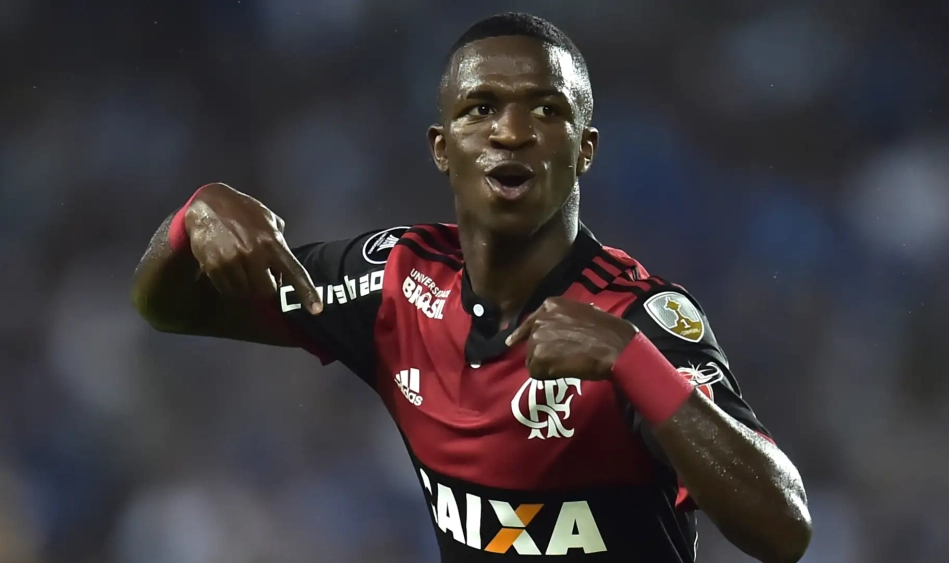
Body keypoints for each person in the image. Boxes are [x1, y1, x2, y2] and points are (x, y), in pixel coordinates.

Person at [131, 12, 811, 563]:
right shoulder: (396, 283)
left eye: (545, 111)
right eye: (481, 108)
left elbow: (784, 530)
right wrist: (194, 219)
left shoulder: (636, 316)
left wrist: (635, 363)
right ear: (440, 146)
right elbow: (169, 306)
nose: (511, 132)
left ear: (585, 149)